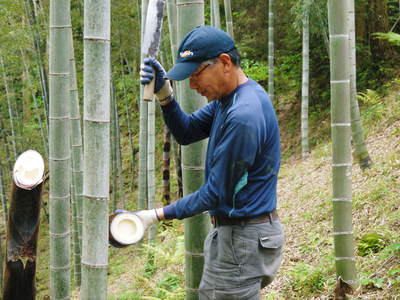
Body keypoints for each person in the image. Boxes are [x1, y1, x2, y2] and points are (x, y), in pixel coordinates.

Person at [138, 26, 284, 300]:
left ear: (224, 63)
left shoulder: (243, 114)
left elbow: (216, 192)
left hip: (242, 240)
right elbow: (187, 131)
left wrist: (154, 215)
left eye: (195, 75)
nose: (192, 85)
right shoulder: (229, 100)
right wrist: (165, 95)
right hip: (241, 237)